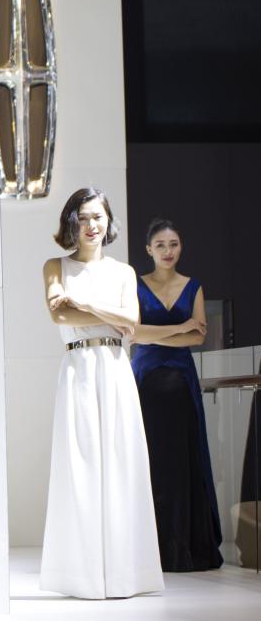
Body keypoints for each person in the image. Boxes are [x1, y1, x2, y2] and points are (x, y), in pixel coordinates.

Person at [40, 187, 164, 599]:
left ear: (108, 221)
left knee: (121, 464)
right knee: (81, 466)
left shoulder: (124, 272)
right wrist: (106, 313)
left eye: (97, 217)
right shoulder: (55, 266)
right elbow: (59, 314)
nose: (91, 225)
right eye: (82, 218)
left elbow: (132, 321)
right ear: (70, 223)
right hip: (78, 368)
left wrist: (85, 303)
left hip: (114, 369)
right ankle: (82, 575)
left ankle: (126, 574)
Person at [130, 219, 223, 571]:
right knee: (150, 459)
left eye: (174, 244)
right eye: (161, 245)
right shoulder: (136, 285)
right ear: (148, 250)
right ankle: (149, 549)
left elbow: (198, 337)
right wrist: (179, 328)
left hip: (182, 383)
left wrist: (162, 333)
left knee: (184, 461)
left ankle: (183, 545)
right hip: (146, 383)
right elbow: (133, 333)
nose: (168, 251)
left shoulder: (193, 286)